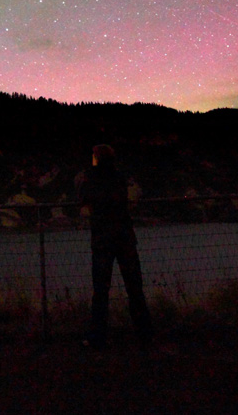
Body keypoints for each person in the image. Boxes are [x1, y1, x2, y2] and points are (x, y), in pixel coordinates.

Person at [78, 144, 153, 349]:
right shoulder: (119, 177)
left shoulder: (91, 179)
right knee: (134, 287)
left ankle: (98, 337)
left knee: (101, 290)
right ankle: (144, 333)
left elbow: (84, 198)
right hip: (124, 236)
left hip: (103, 239)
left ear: (97, 158)